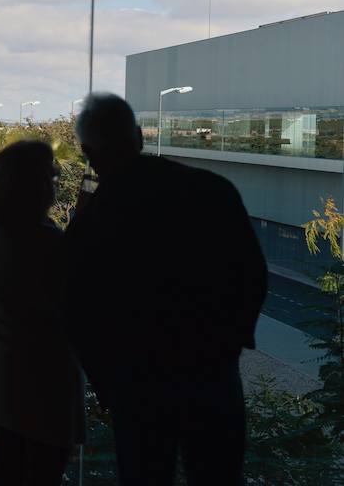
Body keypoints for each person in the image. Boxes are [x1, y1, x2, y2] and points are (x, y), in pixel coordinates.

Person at [64, 93, 267, 486]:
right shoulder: (212, 190)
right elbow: (252, 276)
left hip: (137, 385)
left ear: (88, 152)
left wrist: (109, 385)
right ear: (139, 136)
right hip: (211, 375)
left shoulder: (94, 221)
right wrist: (228, 345)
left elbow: (76, 308)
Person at [0, 140, 84, 486]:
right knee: (42, 470)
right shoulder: (41, 238)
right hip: (38, 378)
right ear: (33, 184)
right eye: (49, 177)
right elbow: (76, 297)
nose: (54, 183)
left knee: (8, 465)